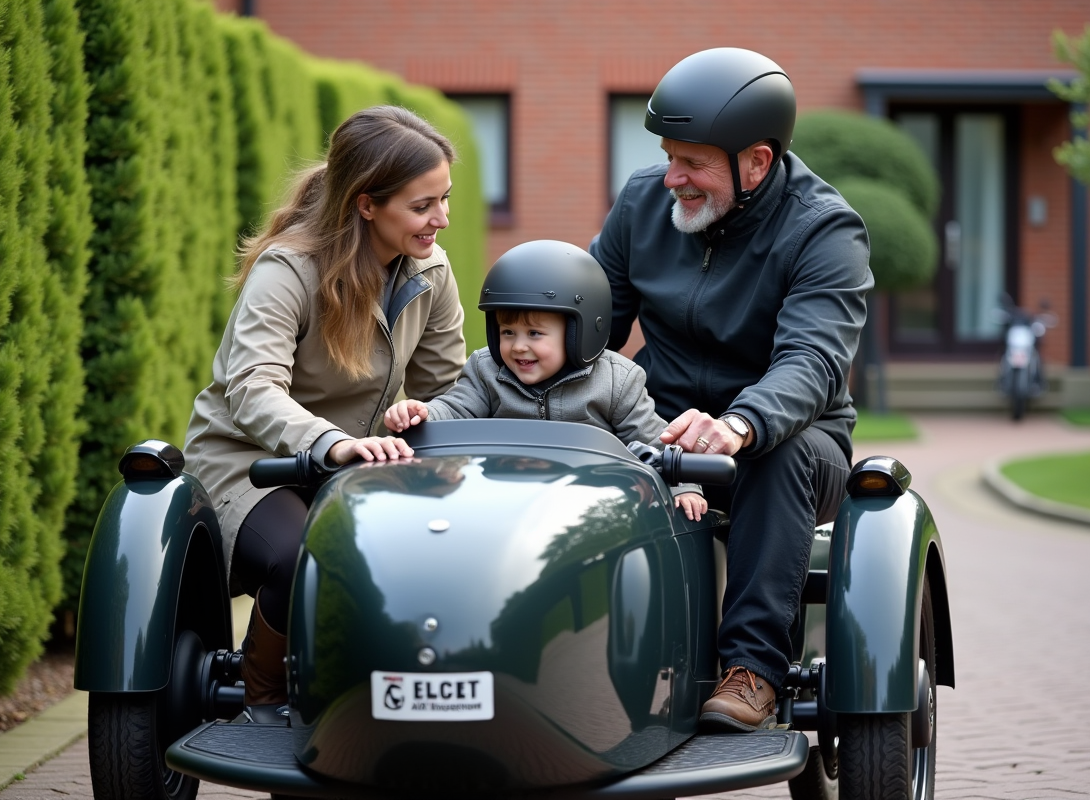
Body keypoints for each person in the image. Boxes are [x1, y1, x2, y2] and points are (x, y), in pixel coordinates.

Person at [589, 48, 873, 732]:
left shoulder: (826, 230)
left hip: (794, 447)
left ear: (757, 162)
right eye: (668, 156)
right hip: (659, 428)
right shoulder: (640, 204)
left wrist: (741, 425)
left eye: (692, 162)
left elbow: (811, 360)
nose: (671, 179)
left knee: (778, 455)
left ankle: (753, 673)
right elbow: (588, 334)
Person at [183, 106, 467, 707]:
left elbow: (450, 388)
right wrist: (330, 443)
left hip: (361, 464)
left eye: (444, 199)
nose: (441, 219)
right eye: (423, 206)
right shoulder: (288, 269)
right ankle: (267, 704)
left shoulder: (431, 271)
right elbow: (253, 387)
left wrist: (429, 421)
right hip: (251, 463)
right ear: (367, 204)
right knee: (302, 556)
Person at [383, 239, 707, 520]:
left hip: (590, 503)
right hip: (502, 500)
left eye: (535, 333)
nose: (518, 346)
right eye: (507, 332)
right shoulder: (486, 371)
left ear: (580, 332)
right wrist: (421, 415)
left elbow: (655, 442)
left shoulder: (617, 381)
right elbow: (455, 410)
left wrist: (684, 486)